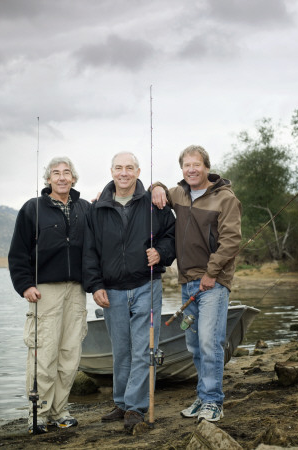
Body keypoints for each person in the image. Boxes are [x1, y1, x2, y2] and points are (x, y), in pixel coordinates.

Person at [83, 152, 175, 433]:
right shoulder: (96, 208)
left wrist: (160, 253)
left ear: (137, 171)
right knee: (121, 350)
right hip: (112, 289)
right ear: (111, 171)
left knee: (145, 349)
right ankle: (121, 402)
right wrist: (95, 285)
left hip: (147, 285)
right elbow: (89, 251)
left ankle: (136, 407)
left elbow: (171, 234)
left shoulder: (154, 203)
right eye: (119, 168)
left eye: (129, 168)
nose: (124, 173)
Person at [151, 145, 241, 423]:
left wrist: (212, 273)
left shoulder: (225, 199)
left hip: (213, 283)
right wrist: (156, 185)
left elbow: (231, 241)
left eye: (197, 165)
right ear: (182, 169)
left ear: (206, 167)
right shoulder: (179, 194)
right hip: (187, 282)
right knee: (193, 344)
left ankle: (214, 401)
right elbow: (159, 191)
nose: (191, 169)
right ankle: (202, 396)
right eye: (187, 165)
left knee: (209, 341)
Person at [8, 156, 90, 434]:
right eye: (56, 173)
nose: (62, 177)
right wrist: (25, 284)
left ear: (74, 178)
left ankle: (59, 411)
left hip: (77, 291)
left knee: (70, 353)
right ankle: (38, 414)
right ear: (48, 179)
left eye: (67, 172)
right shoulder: (33, 209)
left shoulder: (85, 208)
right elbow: (18, 252)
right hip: (45, 291)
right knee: (43, 352)